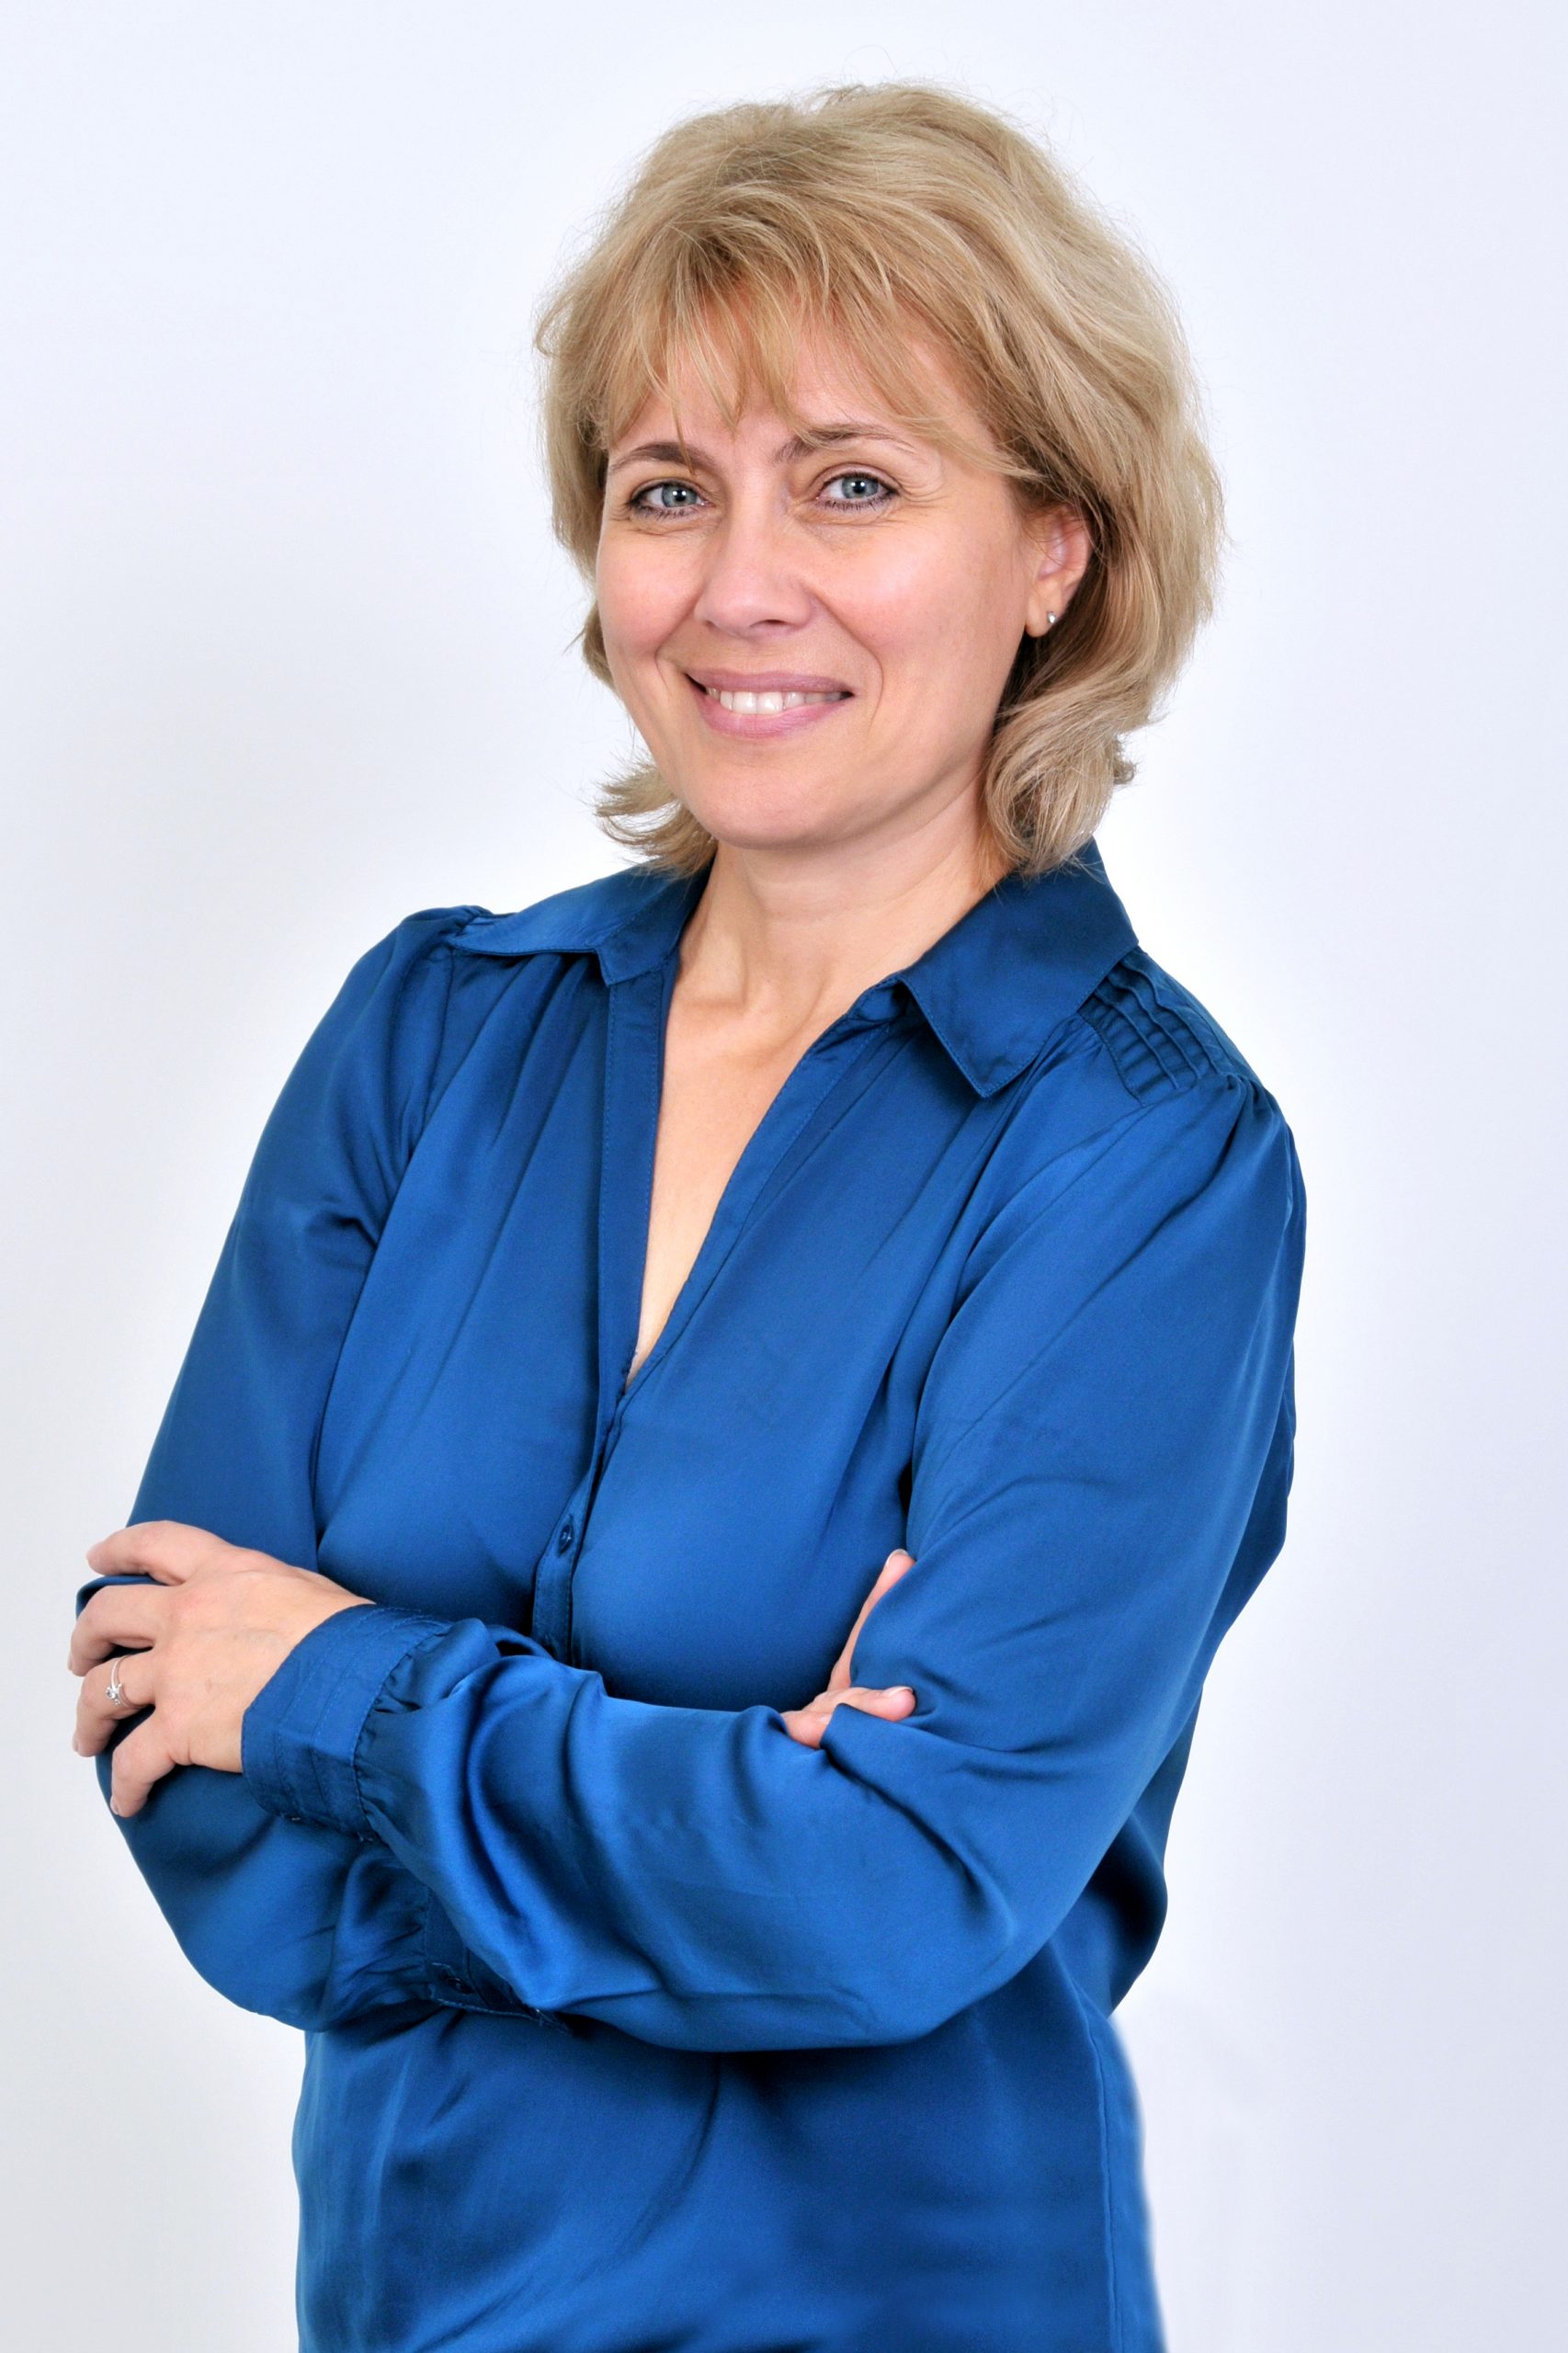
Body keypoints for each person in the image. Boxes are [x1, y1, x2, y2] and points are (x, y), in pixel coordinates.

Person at [66, 79, 1305, 2353]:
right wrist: (720, 1823)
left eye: (853, 482)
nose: (740, 583)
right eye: (668, 489)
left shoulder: (1147, 1164)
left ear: (1054, 550)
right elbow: (177, 1751)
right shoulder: (433, 1036)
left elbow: (897, 1883)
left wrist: (333, 1688)